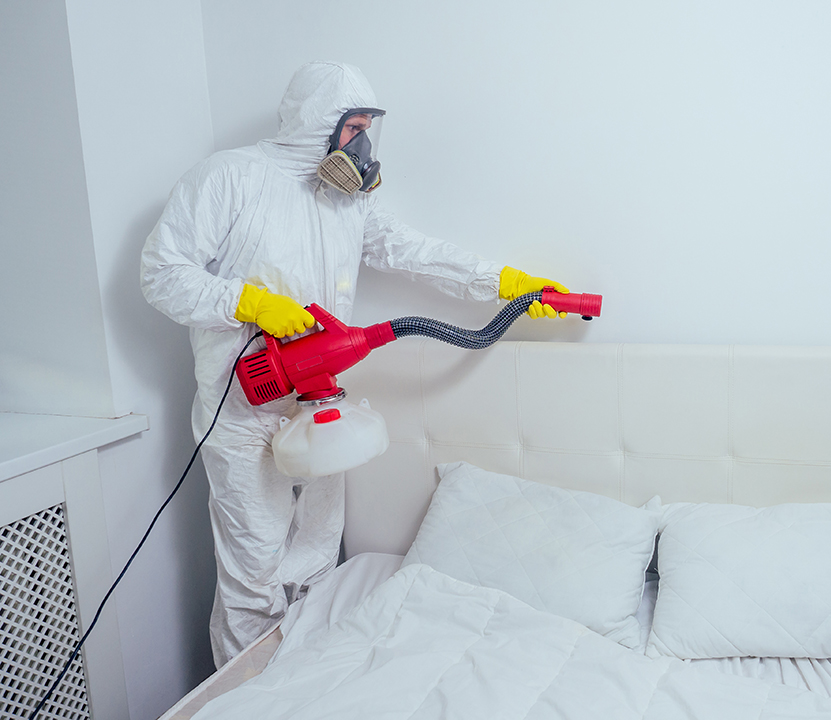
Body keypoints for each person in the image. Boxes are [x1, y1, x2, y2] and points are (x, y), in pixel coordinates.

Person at [140, 60, 568, 668]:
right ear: (317, 123)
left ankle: (307, 683)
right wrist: (245, 301)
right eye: (354, 127)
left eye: (368, 129)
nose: (362, 144)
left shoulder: (345, 200)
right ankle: (245, 696)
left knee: (318, 558)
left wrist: (505, 284)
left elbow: (410, 251)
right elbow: (161, 273)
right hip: (242, 412)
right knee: (253, 573)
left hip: (319, 404)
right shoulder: (228, 177)